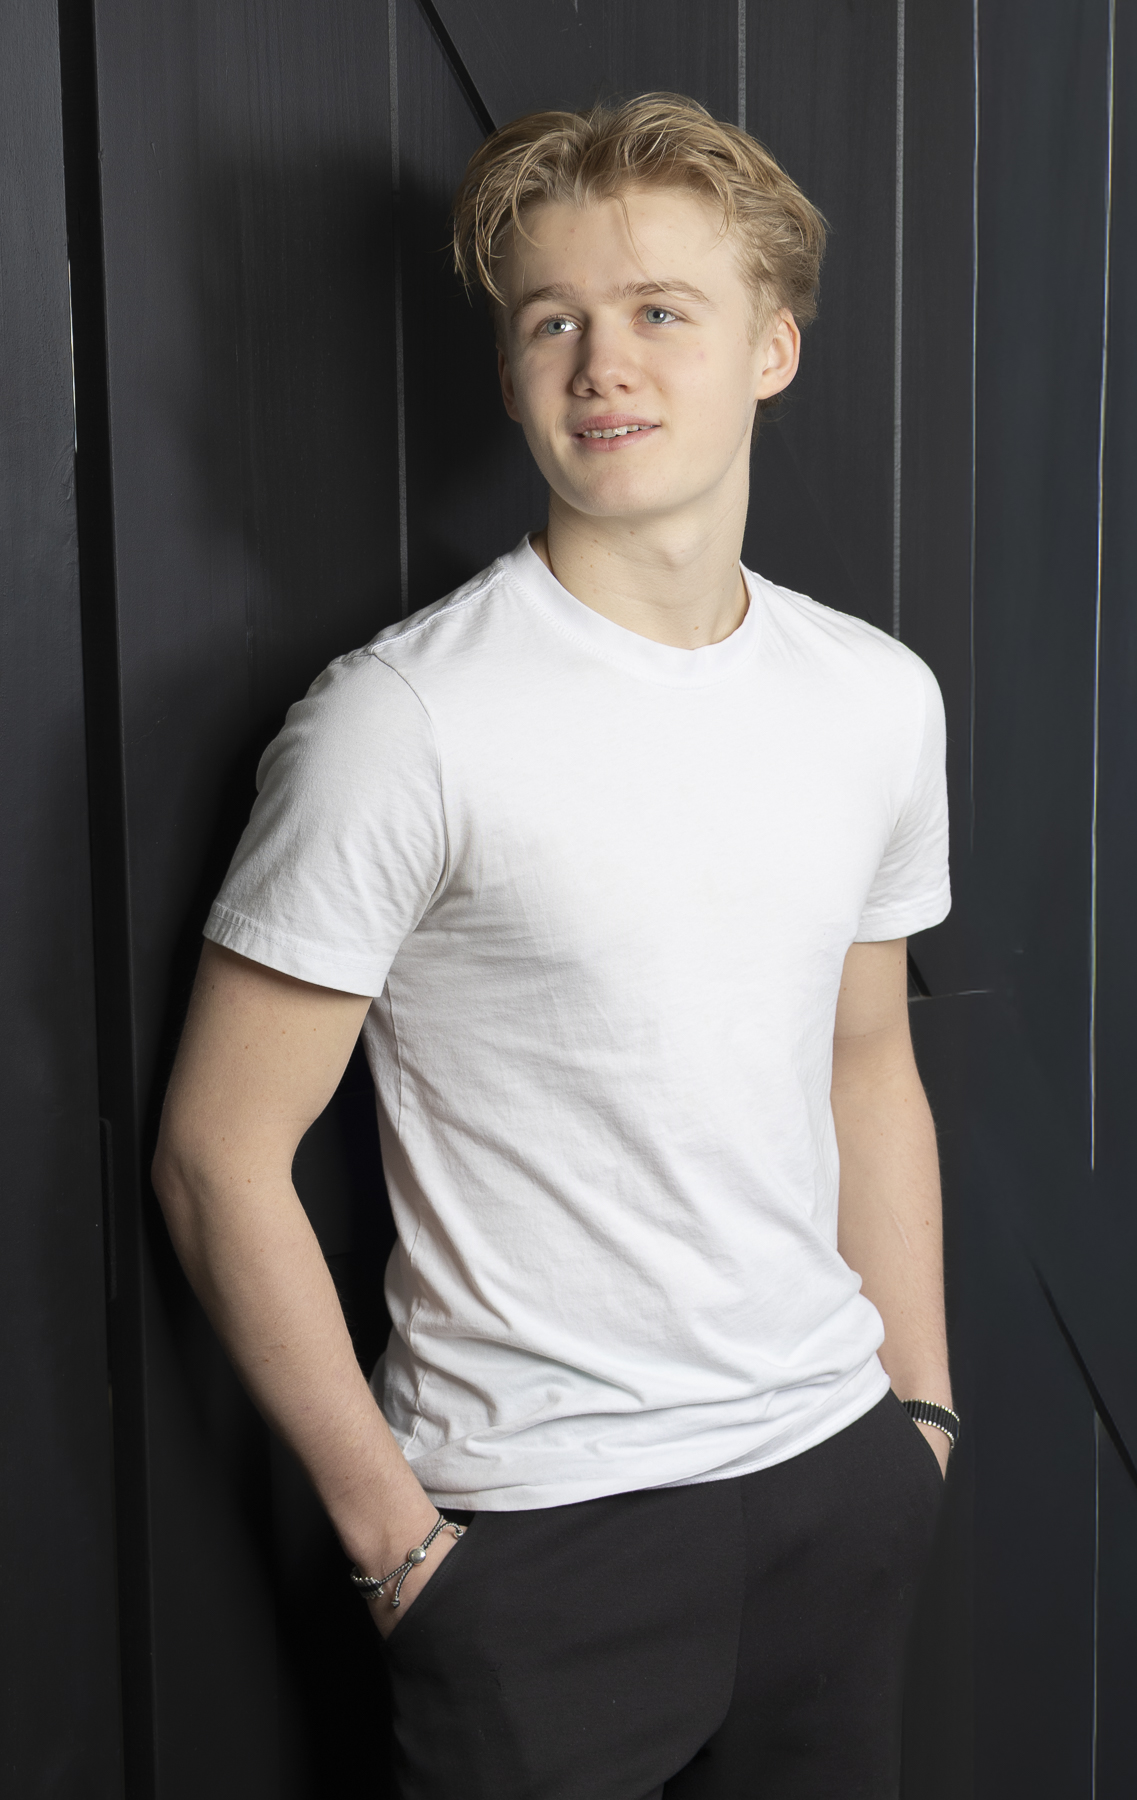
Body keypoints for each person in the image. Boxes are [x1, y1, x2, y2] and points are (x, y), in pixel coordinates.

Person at [153, 93, 956, 1799]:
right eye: (553, 321)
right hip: (539, 1537)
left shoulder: (878, 700)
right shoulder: (401, 724)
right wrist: (401, 1552)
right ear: (515, 368)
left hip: (836, 1480)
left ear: (772, 348)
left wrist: (922, 1414)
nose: (604, 365)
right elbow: (218, 1160)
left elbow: (866, 1056)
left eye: (661, 309)